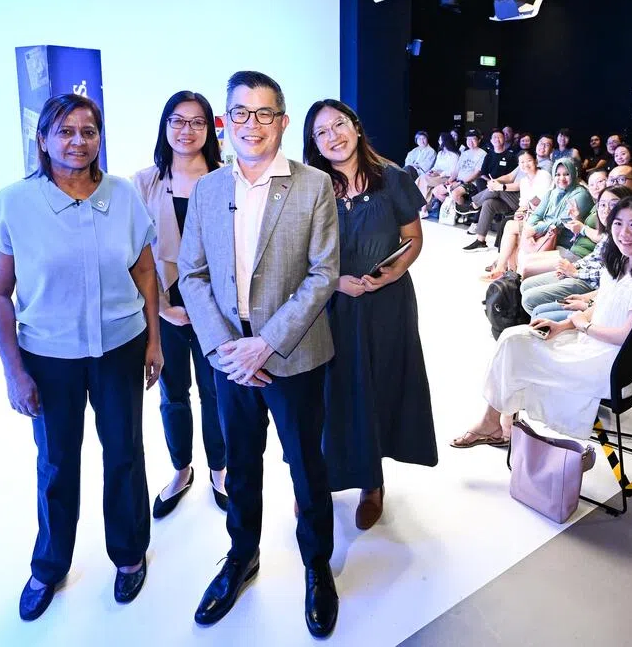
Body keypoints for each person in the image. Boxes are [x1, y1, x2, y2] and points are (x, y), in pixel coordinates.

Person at [0, 93, 160, 621]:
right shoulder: (14, 203)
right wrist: (14, 372)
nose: (78, 141)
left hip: (120, 347)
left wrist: (154, 340)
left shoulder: (123, 195)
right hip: (49, 356)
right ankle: (50, 564)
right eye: (65, 131)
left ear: (100, 138)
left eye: (89, 131)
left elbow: (145, 272)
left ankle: (128, 555)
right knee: (57, 462)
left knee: (124, 452)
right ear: (42, 140)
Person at [179, 71, 340, 637]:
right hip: (229, 358)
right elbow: (193, 275)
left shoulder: (313, 185)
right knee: (241, 466)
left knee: (306, 465)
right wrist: (228, 346)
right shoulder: (207, 189)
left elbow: (325, 274)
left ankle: (317, 565)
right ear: (227, 120)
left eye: (264, 113)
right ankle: (241, 557)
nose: (252, 124)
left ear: (283, 121)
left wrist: (267, 342)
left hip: (292, 354)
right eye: (240, 113)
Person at [303, 99, 438, 530]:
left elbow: (413, 238)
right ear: (315, 144)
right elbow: (301, 252)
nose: (332, 136)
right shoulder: (312, 186)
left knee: (377, 388)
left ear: (356, 128)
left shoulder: (393, 177)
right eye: (321, 132)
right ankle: (321, 476)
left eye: (338, 125)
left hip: (386, 305)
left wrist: (391, 272)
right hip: (331, 305)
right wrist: (336, 280)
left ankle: (372, 484)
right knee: (330, 391)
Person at [451, 194, 632, 447]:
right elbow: (604, 304)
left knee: (518, 351)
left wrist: (583, 326)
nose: (624, 232)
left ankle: (497, 423)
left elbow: (625, 335)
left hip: (606, 362)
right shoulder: (623, 260)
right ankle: (496, 421)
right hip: (591, 343)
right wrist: (563, 326)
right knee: (512, 338)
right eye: (618, 223)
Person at [132, 91, 228, 520]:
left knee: (216, 393)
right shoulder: (143, 182)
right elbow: (135, 254)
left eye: (197, 122)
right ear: (165, 126)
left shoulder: (227, 177)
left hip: (217, 308)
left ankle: (220, 470)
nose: (187, 130)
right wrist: (164, 309)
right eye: (178, 121)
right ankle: (181, 468)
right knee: (173, 394)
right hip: (164, 306)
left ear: (209, 129)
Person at [520, 185, 632, 322]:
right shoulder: (609, 231)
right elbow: (594, 257)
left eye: (613, 205)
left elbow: (612, 276)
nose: (606, 210)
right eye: (602, 205)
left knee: (530, 298)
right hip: (581, 265)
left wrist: (576, 272)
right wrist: (571, 269)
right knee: (526, 283)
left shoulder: (624, 237)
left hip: (590, 281)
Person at [483, 157, 593, 280]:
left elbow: (563, 221)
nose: (561, 178)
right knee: (512, 228)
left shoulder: (580, 194)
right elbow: (537, 214)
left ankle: (506, 273)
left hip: (562, 236)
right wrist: (530, 228)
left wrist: (535, 229)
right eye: (557, 174)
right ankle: (505, 272)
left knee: (512, 229)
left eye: (566, 174)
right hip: (545, 230)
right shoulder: (553, 192)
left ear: (573, 174)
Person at [462, 149, 549, 251]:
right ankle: (480, 240)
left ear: (536, 161)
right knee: (488, 203)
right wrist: (496, 182)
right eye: (522, 162)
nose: (525, 164)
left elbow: (541, 200)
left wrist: (500, 187)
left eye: (529, 161)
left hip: (539, 212)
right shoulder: (524, 181)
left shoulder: (544, 175)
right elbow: (523, 201)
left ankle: (474, 205)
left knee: (497, 190)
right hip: (523, 207)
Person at [452, 128, 518, 213]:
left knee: (488, 188)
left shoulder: (511, 156)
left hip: (503, 184)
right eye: (494, 137)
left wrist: (497, 182)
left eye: (499, 137)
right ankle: (476, 210)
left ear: (504, 139)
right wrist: (489, 181)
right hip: (488, 182)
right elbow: (483, 173)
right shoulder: (488, 155)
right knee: (480, 181)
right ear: (490, 140)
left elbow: (512, 176)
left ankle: (474, 207)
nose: (497, 139)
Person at [432, 128, 486, 205]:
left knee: (455, 194)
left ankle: (463, 212)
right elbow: (456, 170)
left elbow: (476, 173)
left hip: (471, 183)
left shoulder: (483, 154)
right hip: (458, 181)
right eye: (468, 139)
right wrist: (450, 180)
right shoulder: (464, 153)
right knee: (436, 191)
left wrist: (460, 182)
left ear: (479, 140)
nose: (470, 142)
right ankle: (454, 209)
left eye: (473, 139)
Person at [416, 132, 460, 208]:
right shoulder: (440, 153)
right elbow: (436, 167)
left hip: (446, 177)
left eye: (440, 140)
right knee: (423, 177)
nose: (438, 142)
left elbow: (453, 171)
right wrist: (432, 171)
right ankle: (424, 207)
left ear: (445, 141)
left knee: (423, 179)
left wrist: (439, 174)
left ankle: (423, 207)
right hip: (437, 175)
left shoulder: (454, 155)